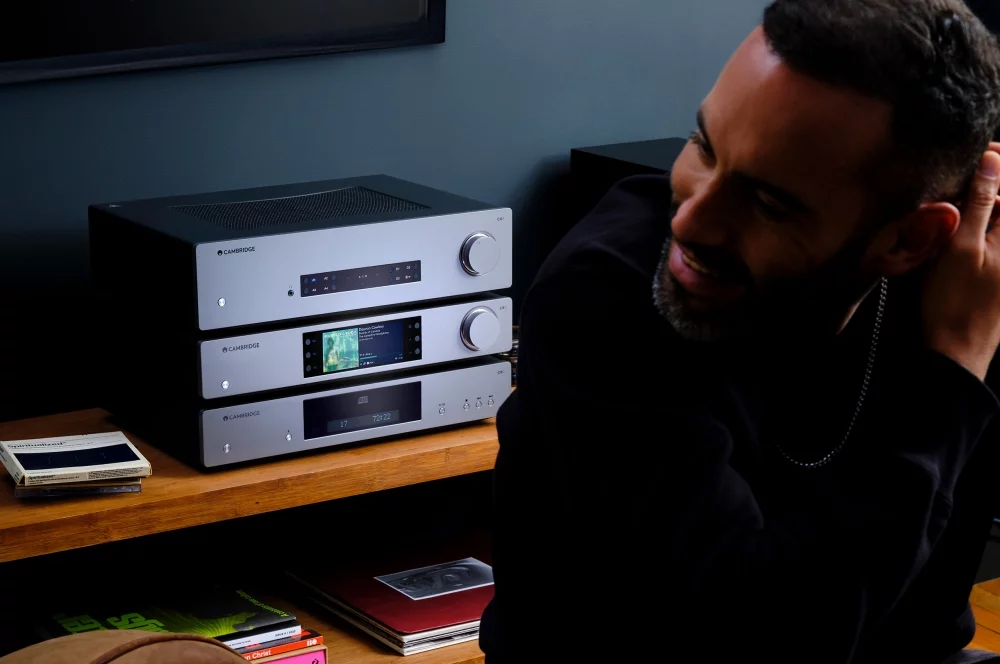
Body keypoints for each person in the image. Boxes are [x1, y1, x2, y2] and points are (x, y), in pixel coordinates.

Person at [480, 1, 1000, 662]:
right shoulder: (603, 297)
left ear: (910, 239)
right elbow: (751, 643)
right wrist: (948, 382)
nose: (692, 220)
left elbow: (925, 623)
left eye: (768, 201)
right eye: (704, 146)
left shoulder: (966, 288)